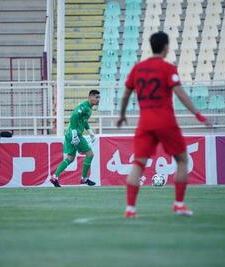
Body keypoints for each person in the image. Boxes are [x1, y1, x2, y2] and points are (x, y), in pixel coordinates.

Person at [116, 31, 211, 218]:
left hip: (145, 123)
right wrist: (197, 114)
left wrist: (122, 115)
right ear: (166, 47)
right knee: (182, 160)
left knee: (138, 164)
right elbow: (180, 93)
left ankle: (130, 209)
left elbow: (126, 93)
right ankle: (178, 204)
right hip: (165, 121)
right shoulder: (168, 68)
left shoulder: (137, 68)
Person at [50, 90, 100, 187]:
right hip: (75, 133)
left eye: (99, 98)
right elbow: (73, 117)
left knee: (70, 158)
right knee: (90, 154)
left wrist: (89, 131)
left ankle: (54, 177)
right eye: (96, 97)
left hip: (69, 134)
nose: (98, 100)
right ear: (90, 97)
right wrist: (74, 133)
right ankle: (84, 178)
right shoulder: (84, 107)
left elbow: (83, 120)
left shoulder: (89, 108)